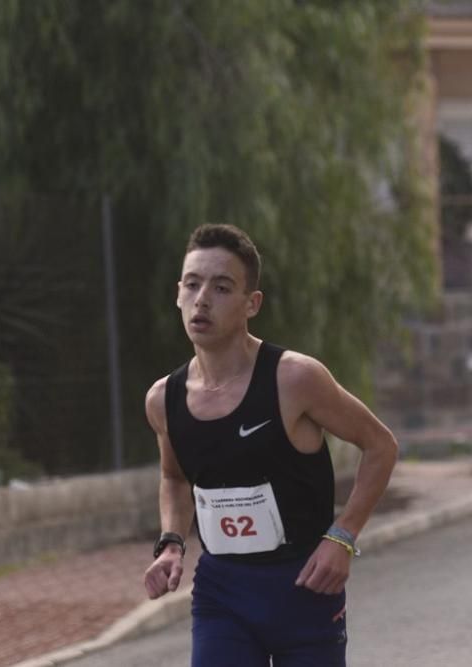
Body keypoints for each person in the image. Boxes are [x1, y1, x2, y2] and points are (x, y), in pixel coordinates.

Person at [143, 224, 399, 667]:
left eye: (222, 287)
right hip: (221, 592)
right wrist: (170, 544)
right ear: (178, 294)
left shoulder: (294, 379)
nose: (202, 298)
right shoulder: (164, 399)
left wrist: (343, 537)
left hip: (304, 585)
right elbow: (174, 476)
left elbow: (380, 445)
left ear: (251, 304)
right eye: (192, 284)